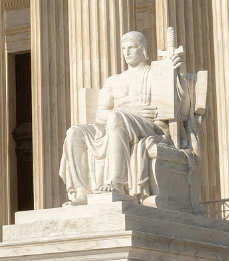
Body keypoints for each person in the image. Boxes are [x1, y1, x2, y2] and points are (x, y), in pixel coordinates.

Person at [59, 32, 175, 203]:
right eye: (123, 49)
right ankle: (82, 191)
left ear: (142, 49)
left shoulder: (154, 74)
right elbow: (100, 115)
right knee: (74, 132)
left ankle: (117, 183)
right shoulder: (113, 80)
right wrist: (131, 109)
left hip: (148, 127)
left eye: (131, 48)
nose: (126, 52)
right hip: (119, 123)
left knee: (116, 118)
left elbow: (178, 106)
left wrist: (177, 73)